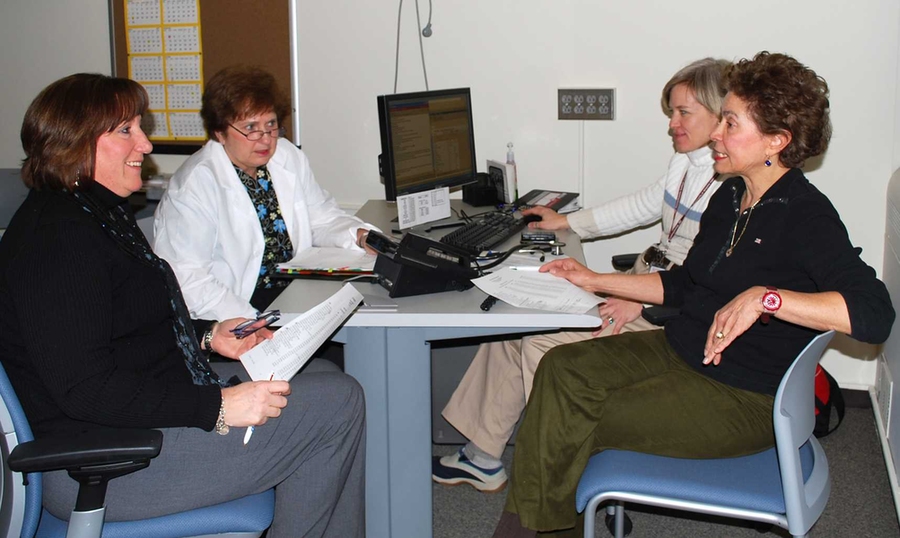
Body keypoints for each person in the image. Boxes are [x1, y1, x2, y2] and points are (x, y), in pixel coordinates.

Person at [492, 52, 895, 538]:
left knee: (573, 419)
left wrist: (767, 298)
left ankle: (530, 532)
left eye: (730, 122)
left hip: (742, 395)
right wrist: (591, 277)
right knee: (560, 370)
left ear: (776, 141)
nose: (716, 135)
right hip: (682, 348)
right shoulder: (730, 196)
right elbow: (683, 286)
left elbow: (875, 313)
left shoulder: (806, 216)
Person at [0, 73, 365, 538]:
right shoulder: (57, 242)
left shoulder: (95, 212)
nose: (146, 145)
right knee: (337, 403)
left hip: (141, 417)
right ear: (75, 143)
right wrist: (215, 405)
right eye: (126, 130)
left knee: (323, 380)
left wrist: (209, 335)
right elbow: (85, 388)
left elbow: (126, 325)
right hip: (116, 461)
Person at [434, 58, 731, 493]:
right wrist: (566, 223)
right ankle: (483, 455)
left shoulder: (730, 185)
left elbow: (705, 280)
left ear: (719, 114)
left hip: (668, 309)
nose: (673, 123)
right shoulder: (686, 162)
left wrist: (643, 300)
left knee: (540, 344)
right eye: (671, 111)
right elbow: (640, 206)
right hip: (648, 284)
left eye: (684, 112)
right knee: (512, 321)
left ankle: (570, 468)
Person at [153, 65, 378, 321]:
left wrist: (358, 236)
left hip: (293, 296)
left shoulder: (285, 155)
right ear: (219, 132)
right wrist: (254, 322)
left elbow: (320, 217)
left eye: (271, 125)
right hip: (231, 313)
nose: (265, 139)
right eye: (250, 127)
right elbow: (188, 280)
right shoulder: (195, 183)